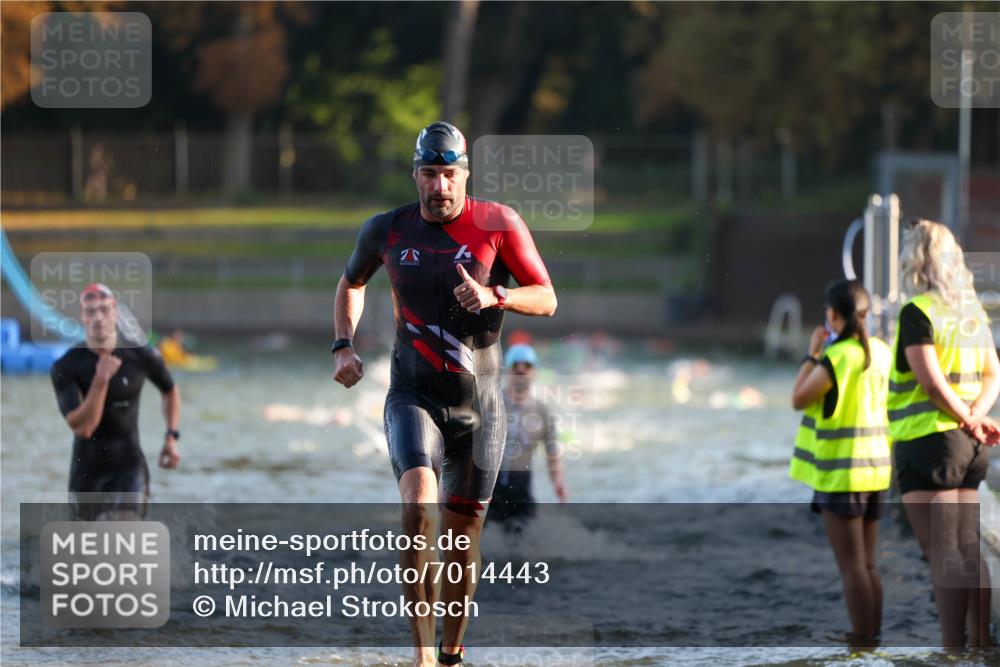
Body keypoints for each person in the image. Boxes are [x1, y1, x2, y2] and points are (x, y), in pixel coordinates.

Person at [331, 121, 557, 667]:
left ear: (464, 175)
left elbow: (547, 297)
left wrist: (495, 294)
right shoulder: (386, 230)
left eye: (449, 174)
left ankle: (451, 652)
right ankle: (421, 658)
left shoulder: (498, 223)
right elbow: (351, 283)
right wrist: (343, 345)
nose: (439, 187)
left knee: (462, 540)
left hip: (481, 408)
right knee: (416, 509)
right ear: (415, 176)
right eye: (429, 174)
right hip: (413, 396)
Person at [887, 219, 1000, 649]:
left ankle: (951, 650)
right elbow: (994, 373)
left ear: (914, 260)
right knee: (969, 549)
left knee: (944, 555)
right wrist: (976, 416)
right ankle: (981, 643)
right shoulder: (970, 312)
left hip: (929, 443)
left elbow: (931, 384)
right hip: (970, 448)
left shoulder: (918, 312)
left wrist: (966, 419)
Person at [789, 279, 892, 645]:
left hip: (842, 474)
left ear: (834, 315)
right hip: (877, 469)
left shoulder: (838, 356)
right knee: (867, 564)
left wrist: (812, 353)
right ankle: (874, 637)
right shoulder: (881, 351)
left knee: (851, 566)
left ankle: (862, 641)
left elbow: (799, 398)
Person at [50, 283, 181, 519]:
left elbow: (170, 390)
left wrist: (171, 436)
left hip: (128, 466)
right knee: (86, 551)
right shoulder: (66, 366)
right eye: (90, 311)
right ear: (82, 317)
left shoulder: (141, 354)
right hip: (86, 469)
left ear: (115, 313)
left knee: (125, 531)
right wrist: (101, 379)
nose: (98, 317)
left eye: (104, 309)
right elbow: (83, 427)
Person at [488, 343, 568, 531]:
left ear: (535, 371)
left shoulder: (542, 411)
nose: (521, 370)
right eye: (516, 366)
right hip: (488, 490)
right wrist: (447, 489)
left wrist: (558, 484)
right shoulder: (490, 403)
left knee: (524, 547)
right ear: (508, 370)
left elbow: (552, 454)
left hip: (521, 490)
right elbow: (463, 446)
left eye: (527, 366)